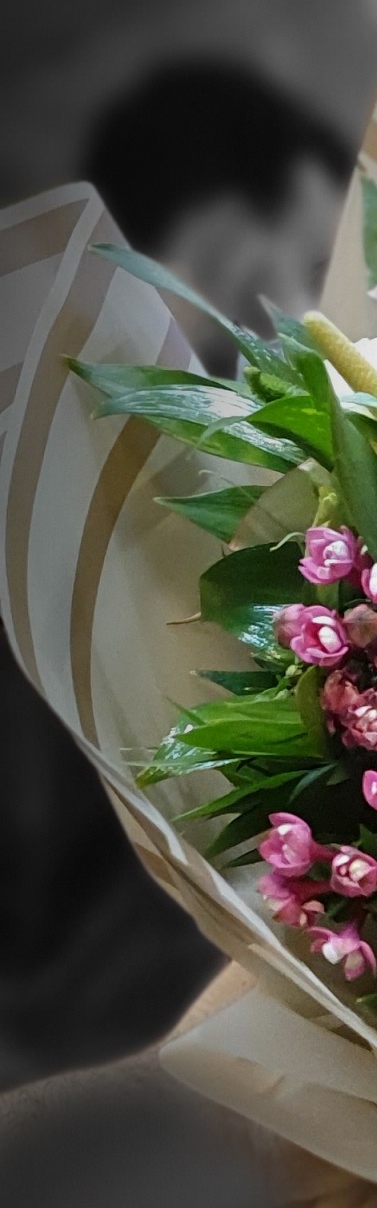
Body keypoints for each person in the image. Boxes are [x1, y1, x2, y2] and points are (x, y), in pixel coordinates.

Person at [1, 61, 349, 1087]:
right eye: (315, 259)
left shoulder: (47, 459)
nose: (316, 315)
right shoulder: (138, 483)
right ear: (233, 233)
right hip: (145, 1043)